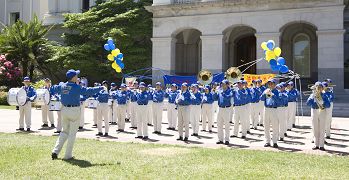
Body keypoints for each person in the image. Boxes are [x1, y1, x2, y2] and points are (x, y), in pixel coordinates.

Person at [51, 69, 102, 160]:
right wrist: (100, 88)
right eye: (76, 76)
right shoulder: (76, 87)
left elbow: (53, 88)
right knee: (72, 134)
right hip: (74, 110)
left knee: (64, 131)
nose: (77, 77)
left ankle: (55, 151)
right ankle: (68, 155)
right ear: (73, 77)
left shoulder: (62, 86)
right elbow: (87, 91)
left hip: (64, 110)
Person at [306, 82, 331, 151]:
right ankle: (316, 144)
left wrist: (322, 102)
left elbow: (328, 105)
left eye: (320, 87)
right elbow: (307, 103)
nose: (318, 88)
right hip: (314, 111)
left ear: (322, 88)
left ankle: (322, 145)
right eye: (317, 87)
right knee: (315, 128)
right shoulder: (312, 95)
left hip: (322, 111)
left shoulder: (324, 95)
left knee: (322, 128)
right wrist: (312, 97)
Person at [261, 79, 280, 148]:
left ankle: (275, 142)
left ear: (274, 84)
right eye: (269, 84)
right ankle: (267, 141)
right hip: (266, 109)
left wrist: (272, 94)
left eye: (272, 84)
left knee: (275, 126)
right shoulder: (266, 91)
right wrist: (264, 94)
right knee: (266, 126)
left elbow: (278, 101)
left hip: (274, 109)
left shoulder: (277, 91)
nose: (270, 85)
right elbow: (261, 99)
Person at [215, 80, 233, 145]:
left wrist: (222, 93)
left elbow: (228, 98)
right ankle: (220, 139)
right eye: (221, 84)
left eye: (224, 84)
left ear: (227, 84)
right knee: (219, 125)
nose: (222, 85)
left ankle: (227, 140)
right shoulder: (219, 91)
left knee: (227, 125)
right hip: (219, 108)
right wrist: (214, 92)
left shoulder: (230, 91)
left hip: (226, 109)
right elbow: (214, 98)